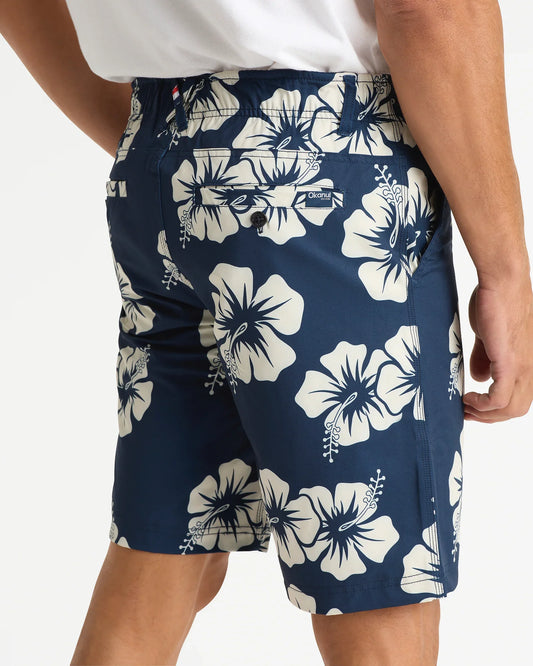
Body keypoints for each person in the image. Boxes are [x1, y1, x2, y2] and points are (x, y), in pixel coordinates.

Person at [2, 1, 532, 664]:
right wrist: (506, 269)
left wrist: (193, 154)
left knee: (164, 557)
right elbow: (429, 10)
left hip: (161, 165)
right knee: (376, 595)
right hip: (322, 178)